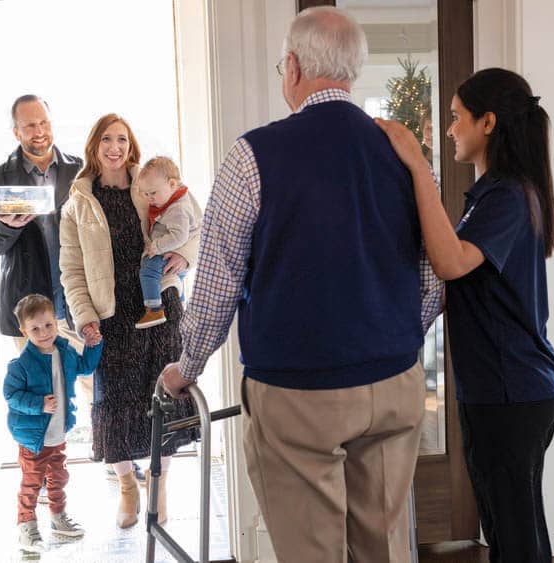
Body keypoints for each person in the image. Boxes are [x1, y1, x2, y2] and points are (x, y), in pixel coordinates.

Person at [160, 7, 443, 561]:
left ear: (291, 67)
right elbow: (433, 275)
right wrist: (397, 338)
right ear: (352, 71)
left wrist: (186, 368)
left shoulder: (253, 155)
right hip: (395, 381)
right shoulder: (406, 152)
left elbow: (217, 285)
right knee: (384, 547)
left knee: (311, 552)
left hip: (298, 391)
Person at [376, 68, 554, 563]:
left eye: (457, 117)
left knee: (516, 535)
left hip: (513, 391)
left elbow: (450, 262)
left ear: (488, 122)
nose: (450, 129)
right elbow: (455, 286)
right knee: (513, 529)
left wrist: (418, 167)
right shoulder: (494, 195)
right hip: (506, 389)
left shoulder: (506, 195)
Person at [59, 113, 199, 528]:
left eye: (122, 139)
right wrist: (83, 315)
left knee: (165, 399)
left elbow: (195, 223)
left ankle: (159, 486)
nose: (115, 146)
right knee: (113, 403)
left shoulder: (151, 183)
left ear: (131, 144)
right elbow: (71, 269)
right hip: (110, 316)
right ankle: (126, 486)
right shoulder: (78, 202)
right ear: (94, 146)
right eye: (107, 139)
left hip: (159, 309)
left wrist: (185, 256)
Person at [3, 294, 103, 553]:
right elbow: (11, 396)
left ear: (56, 324)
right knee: (32, 483)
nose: (43, 332)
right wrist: (38, 404)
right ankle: (27, 525)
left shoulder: (65, 351)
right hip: (33, 438)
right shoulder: (21, 365)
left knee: (59, 477)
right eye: (35, 328)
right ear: (24, 331)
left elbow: (85, 367)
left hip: (57, 433)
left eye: (48, 325)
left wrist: (93, 345)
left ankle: (59, 517)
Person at [0, 94, 83, 351]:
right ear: (16, 132)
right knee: (39, 389)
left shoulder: (80, 170)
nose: (39, 131)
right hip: (29, 309)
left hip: (75, 300)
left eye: (44, 123)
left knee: (91, 384)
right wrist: (10, 226)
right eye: (29, 126)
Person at [135, 156, 202, 329]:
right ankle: (183, 309)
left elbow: (179, 236)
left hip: (171, 250)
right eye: (146, 194)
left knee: (148, 272)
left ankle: (153, 309)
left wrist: (156, 247)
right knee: (177, 284)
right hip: (175, 253)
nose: (149, 198)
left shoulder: (177, 208)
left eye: (153, 193)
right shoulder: (175, 195)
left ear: (172, 184)